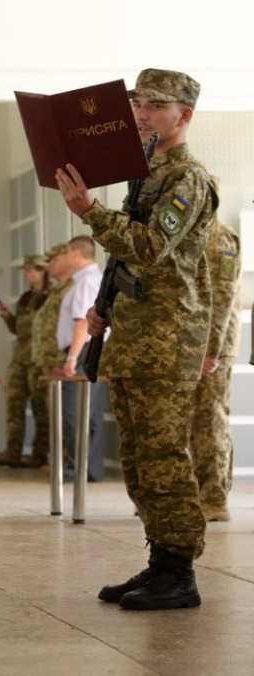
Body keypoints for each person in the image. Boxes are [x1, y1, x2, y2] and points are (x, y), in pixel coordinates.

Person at [56, 68, 217, 611]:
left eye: (155, 105)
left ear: (185, 115)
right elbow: (125, 258)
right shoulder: (145, 174)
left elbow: (150, 246)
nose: (141, 113)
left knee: (165, 455)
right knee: (141, 457)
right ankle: (160, 563)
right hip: (135, 333)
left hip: (169, 338)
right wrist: (105, 308)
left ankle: (181, 572)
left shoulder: (187, 178)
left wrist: (88, 212)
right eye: (138, 103)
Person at [189, 201, 241, 522]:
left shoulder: (219, 237)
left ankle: (214, 498)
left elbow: (222, 295)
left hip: (213, 344)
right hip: (188, 342)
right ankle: (193, 493)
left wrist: (212, 350)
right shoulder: (191, 233)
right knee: (189, 422)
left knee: (210, 420)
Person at [52, 235, 106, 482]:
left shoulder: (86, 283)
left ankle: (79, 466)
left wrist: (72, 358)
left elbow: (82, 323)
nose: (61, 259)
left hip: (83, 350)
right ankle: (89, 468)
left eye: (63, 253)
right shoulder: (92, 280)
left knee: (76, 411)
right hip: (90, 350)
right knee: (90, 413)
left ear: (75, 254)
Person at [0, 256, 49, 468]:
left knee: (41, 409)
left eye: (30, 271)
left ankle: (39, 454)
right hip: (20, 358)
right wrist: (8, 317)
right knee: (14, 406)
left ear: (41, 271)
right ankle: (13, 452)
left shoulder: (51, 296)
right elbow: (18, 330)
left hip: (39, 359)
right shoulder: (25, 298)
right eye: (25, 271)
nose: (26, 275)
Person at [29, 244, 75, 470]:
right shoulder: (58, 289)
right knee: (53, 413)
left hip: (60, 358)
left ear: (68, 258)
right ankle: (58, 460)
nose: (49, 266)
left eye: (54, 260)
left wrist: (64, 359)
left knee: (65, 415)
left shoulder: (73, 287)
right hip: (48, 359)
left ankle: (66, 462)